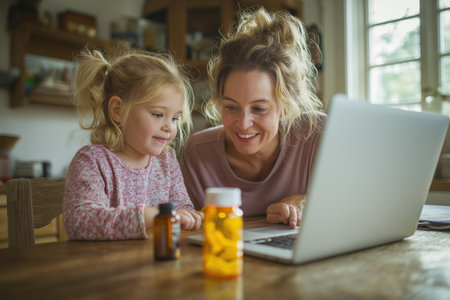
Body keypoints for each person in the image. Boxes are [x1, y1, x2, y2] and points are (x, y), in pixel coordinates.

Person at [181, 7, 326, 228]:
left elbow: (354, 203)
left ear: (286, 106)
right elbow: (186, 233)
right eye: (231, 107)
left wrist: (311, 203)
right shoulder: (198, 154)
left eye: (259, 109)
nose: (243, 123)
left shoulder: (316, 135)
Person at [64, 49, 203, 240]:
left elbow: (182, 208)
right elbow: (80, 222)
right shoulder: (93, 161)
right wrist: (151, 216)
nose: (169, 127)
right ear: (118, 110)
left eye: (175, 119)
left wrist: (191, 217)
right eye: (158, 114)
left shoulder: (166, 161)